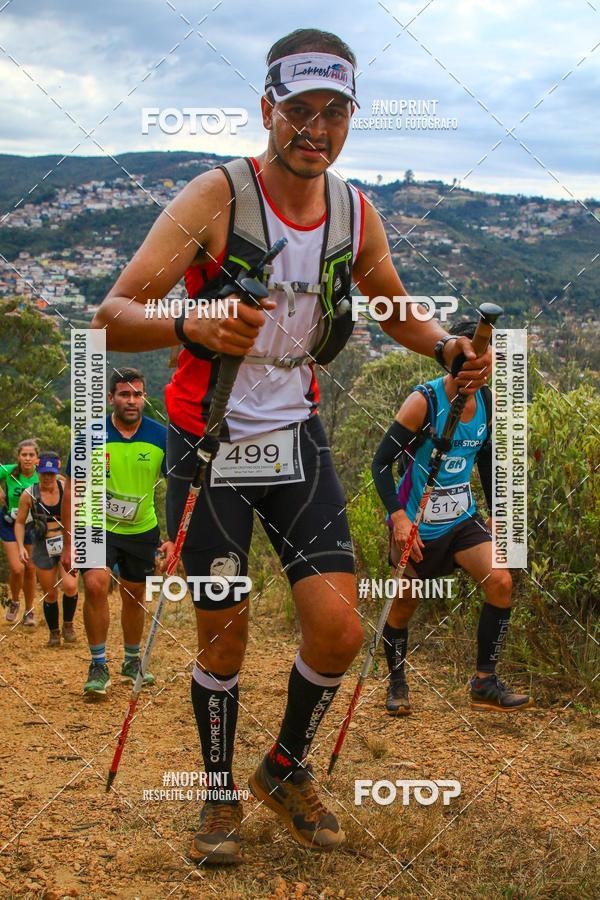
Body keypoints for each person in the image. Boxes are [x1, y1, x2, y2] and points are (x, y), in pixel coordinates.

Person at [92, 29, 492, 864]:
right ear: (267, 109)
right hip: (209, 445)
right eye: (299, 110)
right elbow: (112, 317)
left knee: (340, 630)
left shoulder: (354, 211)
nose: (315, 127)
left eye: (333, 112)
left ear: (350, 119)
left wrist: (446, 347)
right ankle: (216, 795)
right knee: (223, 634)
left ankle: (283, 767)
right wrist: (191, 320)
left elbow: (390, 303)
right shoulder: (216, 197)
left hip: (296, 438)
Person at [371, 321, 532, 716]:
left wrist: (495, 512)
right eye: (475, 357)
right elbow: (380, 465)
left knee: (501, 581)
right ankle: (397, 682)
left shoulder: (489, 402)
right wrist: (398, 520)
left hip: (461, 517)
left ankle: (484, 682)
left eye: (489, 357)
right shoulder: (423, 401)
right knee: (405, 604)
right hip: (416, 519)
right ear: (456, 360)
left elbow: (484, 458)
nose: (483, 365)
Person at [61, 368, 168, 697]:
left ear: (144, 397)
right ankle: (98, 664)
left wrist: (175, 535)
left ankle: (132, 659)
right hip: (97, 524)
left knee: (135, 594)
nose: (132, 400)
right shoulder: (90, 435)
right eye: (124, 394)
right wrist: (69, 541)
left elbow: (179, 486)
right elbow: (73, 488)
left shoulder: (161, 435)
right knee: (95, 585)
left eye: (138, 394)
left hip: (142, 528)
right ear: (111, 398)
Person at [14, 452, 79, 646]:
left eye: (51, 473)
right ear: (37, 471)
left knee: (70, 585)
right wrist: (20, 547)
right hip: (43, 544)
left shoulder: (66, 488)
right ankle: (54, 632)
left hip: (66, 542)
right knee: (50, 592)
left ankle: (68, 624)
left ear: (57, 471)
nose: (47, 478)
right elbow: (19, 522)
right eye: (44, 473)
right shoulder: (29, 495)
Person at [1, 439, 39, 626]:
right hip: (9, 522)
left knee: (30, 568)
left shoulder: (41, 476)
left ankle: (29, 610)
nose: (27, 458)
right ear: (18, 457)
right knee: (17, 568)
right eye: (24, 455)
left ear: (37, 459)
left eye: (31, 455)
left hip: (32, 525)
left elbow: (61, 484)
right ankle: (15, 601)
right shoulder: (9, 471)